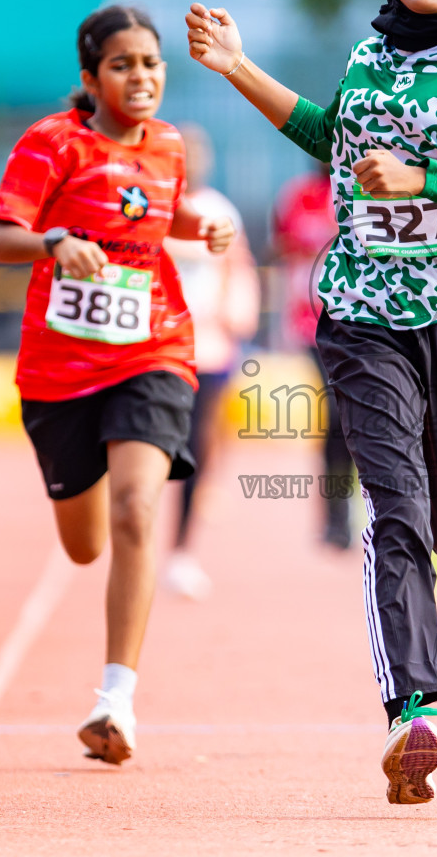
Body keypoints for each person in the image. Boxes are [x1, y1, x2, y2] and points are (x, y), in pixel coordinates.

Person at [186, 0, 437, 803]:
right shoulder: (368, 56)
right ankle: (414, 715)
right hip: (361, 312)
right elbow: (328, 135)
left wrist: (427, 178)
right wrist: (238, 69)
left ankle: (423, 653)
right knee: (397, 508)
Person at [0, 4, 234, 766]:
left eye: (152, 64)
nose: (142, 78)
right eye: (123, 65)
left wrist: (200, 227)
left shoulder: (168, 146)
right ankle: (111, 682)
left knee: (136, 507)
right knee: (85, 544)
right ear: (90, 79)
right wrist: (54, 242)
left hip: (153, 351)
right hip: (60, 370)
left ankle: (115, 699)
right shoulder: (51, 144)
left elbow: (153, 214)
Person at [162, 123, 260, 599]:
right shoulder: (150, 203)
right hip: (157, 346)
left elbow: (236, 267)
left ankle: (181, 552)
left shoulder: (222, 211)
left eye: (198, 154)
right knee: (156, 443)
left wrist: (238, 313)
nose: (192, 162)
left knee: (196, 447)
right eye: (185, 153)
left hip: (210, 347)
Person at [272, 162, 356, 548]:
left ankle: (356, 509)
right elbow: (281, 245)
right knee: (338, 413)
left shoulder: (369, 188)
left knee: (356, 415)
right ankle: (336, 515)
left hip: (362, 318)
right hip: (312, 320)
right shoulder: (298, 195)